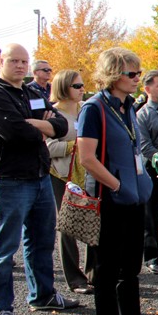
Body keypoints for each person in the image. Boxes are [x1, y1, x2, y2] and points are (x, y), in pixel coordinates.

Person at [77, 47, 158, 315]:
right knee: (107, 273)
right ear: (113, 74)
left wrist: (138, 187)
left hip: (133, 199)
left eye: (139, 72)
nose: (137, 78)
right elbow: (87, 158)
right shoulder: (94, 109)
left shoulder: (127, 107)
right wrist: (116, 185)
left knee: (131, 269)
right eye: (132, 73)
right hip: (110, 201)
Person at [0, 44, 78, 315]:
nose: (18, 65)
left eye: (23, 61)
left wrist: (38, 124)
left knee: (40, 242)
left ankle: (43, 295)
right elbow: (15, 132)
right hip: (8, 180)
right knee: (4, 248)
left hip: (39, 177)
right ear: (1, 62)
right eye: (13, 60)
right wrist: (43, 126)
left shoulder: (34, 93)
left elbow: (63, 125)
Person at [46, 70, 93, 294]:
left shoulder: (85, 109)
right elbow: (47, 147)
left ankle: (94, 272)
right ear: (64, 87)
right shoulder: (52, 113)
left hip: (88, 172)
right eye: (76, 86)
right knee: (67, 226)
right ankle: (75, 279)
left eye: (82, 85)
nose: (81, 89)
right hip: (62, 175)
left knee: (94, 219)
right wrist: (74, 145)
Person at [137, 70, 158, 275]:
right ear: (147, 89)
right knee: (151, 215)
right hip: (153, 170)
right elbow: (145, 147)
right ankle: (151, 257)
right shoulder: (142, 115)